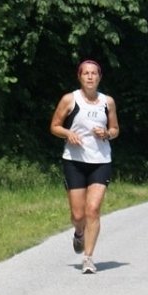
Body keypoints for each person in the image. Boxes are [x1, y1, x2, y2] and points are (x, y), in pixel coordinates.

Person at [49, 59, 120, 274]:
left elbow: (115, 129)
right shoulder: (70, 99)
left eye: (94, 73)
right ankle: (79, 233)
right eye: (86, 73)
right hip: (74, 161)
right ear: (79, 77)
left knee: (93, 210)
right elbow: (54, 126)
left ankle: (88, 258)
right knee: (78, 215)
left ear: (99, 77)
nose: (90, 77)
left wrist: (106, 133)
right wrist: (68, 133)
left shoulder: (107, 102)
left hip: (101, 161)